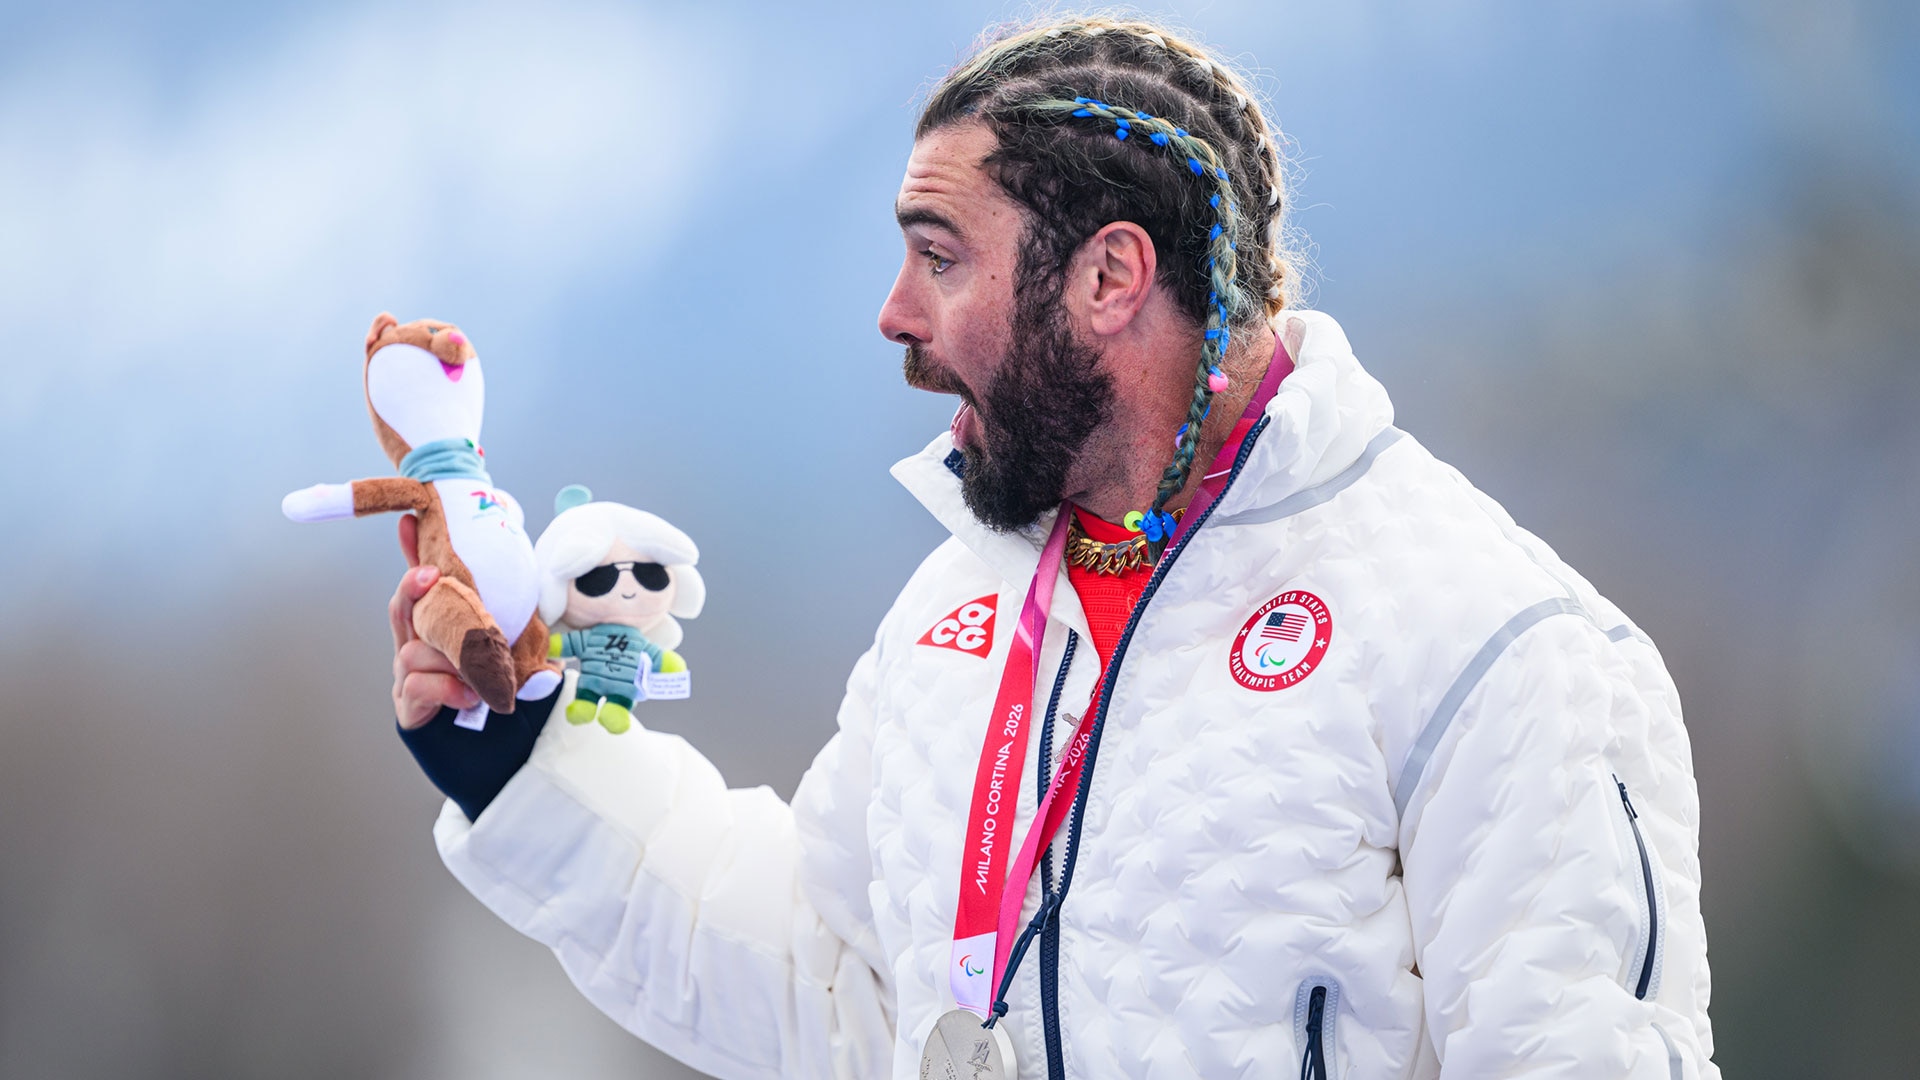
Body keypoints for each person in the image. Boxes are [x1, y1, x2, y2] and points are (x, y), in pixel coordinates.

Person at [387, 15, 1718, 1079]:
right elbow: (830, 989)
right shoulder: (955, 609)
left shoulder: (1490, 644)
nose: (894, 314)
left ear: (1108, 278)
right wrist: (521, 759)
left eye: (941, 257)